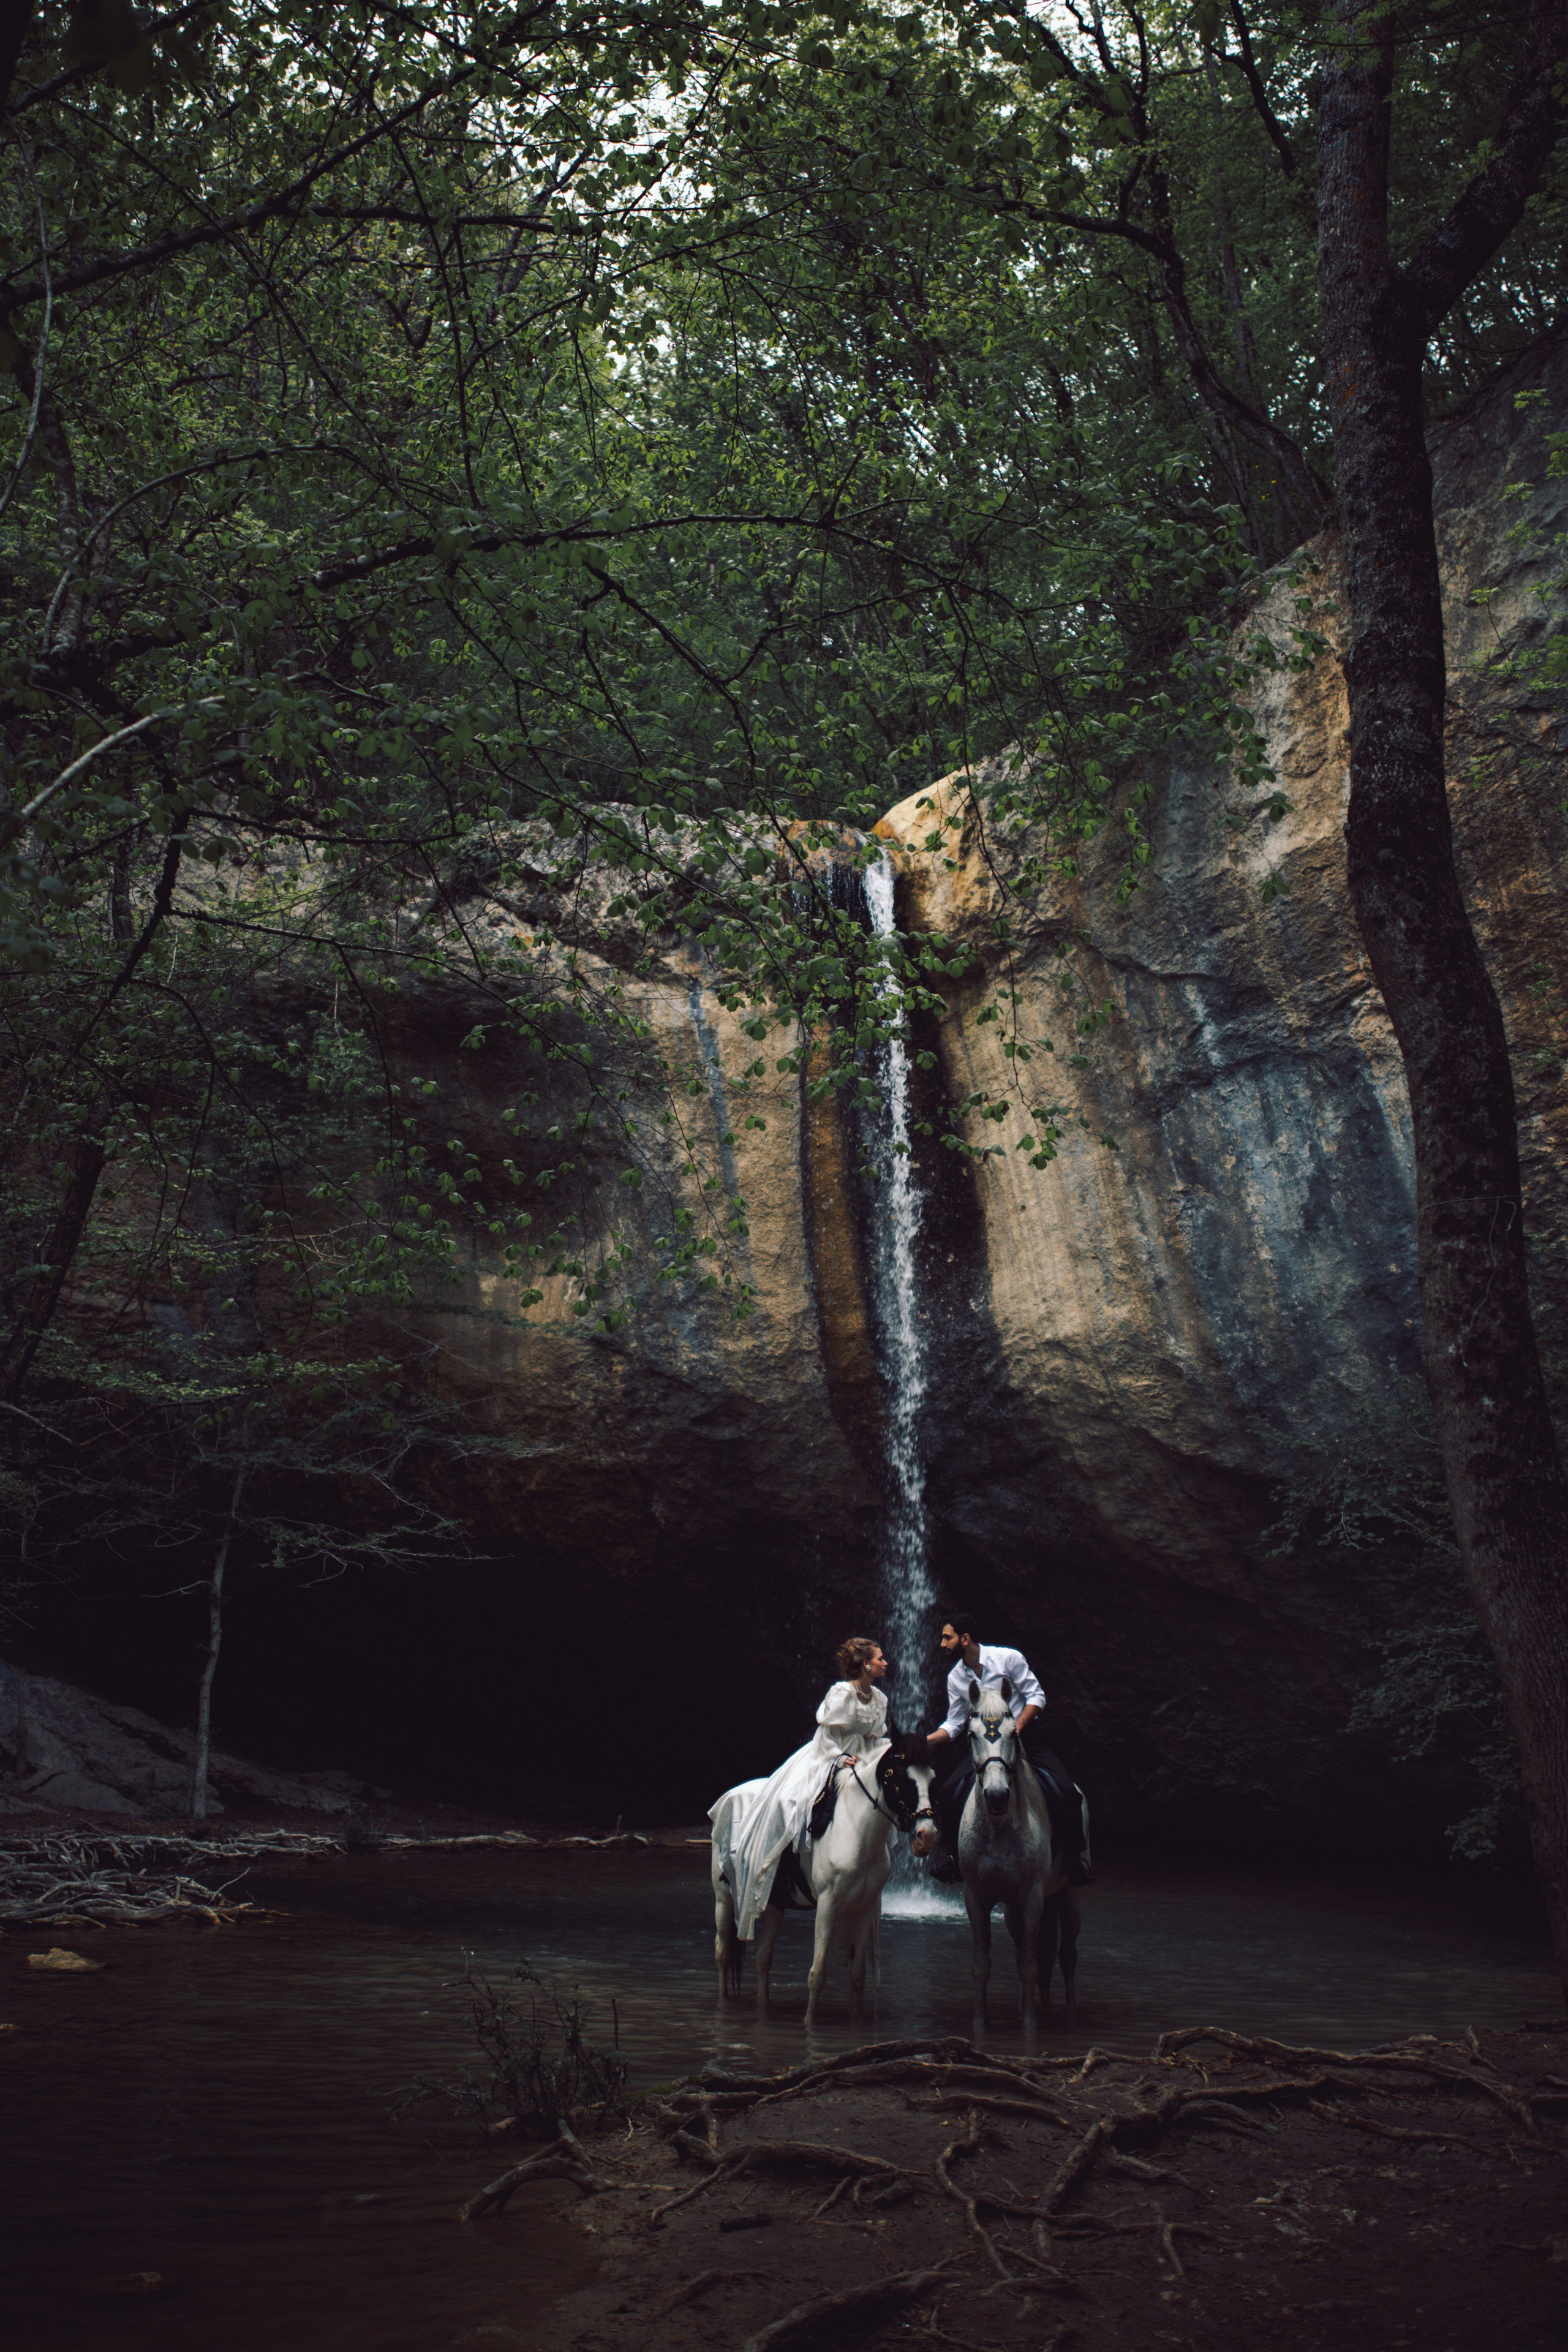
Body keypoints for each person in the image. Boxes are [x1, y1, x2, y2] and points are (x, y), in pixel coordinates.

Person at [711, 1637, 891, 1941]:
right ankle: (778, 1868)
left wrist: (879, 1763)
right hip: (827, 1757)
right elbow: (826, 1736)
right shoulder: (841, 1693)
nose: (885, 1662)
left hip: (862, 1762)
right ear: (865, 1664)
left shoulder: (880, 1699)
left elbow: (876, 1740)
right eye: (880, 1658)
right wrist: (839, 1760)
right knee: (791, 1801)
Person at [923, 1610, 1094, 1888]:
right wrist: (925, 1741)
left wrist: (1017, 1728)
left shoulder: (1008, 1658)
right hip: (984, 1747)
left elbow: (1036, 1695)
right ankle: (951, 1858)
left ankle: (1075, 1860)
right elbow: (955, 1724)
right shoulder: (956, 1677)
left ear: (965, 1639)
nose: (942, 1644)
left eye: (947, 1638)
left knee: (1066, 1791)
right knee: (948, 1791)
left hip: (1024, 1739)